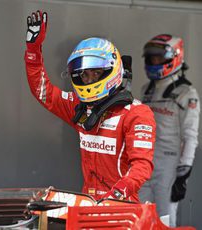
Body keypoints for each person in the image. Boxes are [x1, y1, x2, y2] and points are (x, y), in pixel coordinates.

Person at [24, 10, 156, 203]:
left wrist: (115, 196)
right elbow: (43, 91)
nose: (89, 79)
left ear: (112, 69)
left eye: (95, 73)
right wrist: (33, 51)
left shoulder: (137, 114)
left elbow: (142, 166)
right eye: (84, 75)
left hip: (121, 207)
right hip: (88, 203)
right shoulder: (80, 108)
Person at [139, 34, 200, 226]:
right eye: (152, 57)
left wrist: (184, 173)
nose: (155, 61)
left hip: (169, 166)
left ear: (175, 57)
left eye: (159, 57)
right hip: (144, 163)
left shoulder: (187, 93)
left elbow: (191, 137)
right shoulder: (145, 90)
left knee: (165, 220)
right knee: (139, 217)